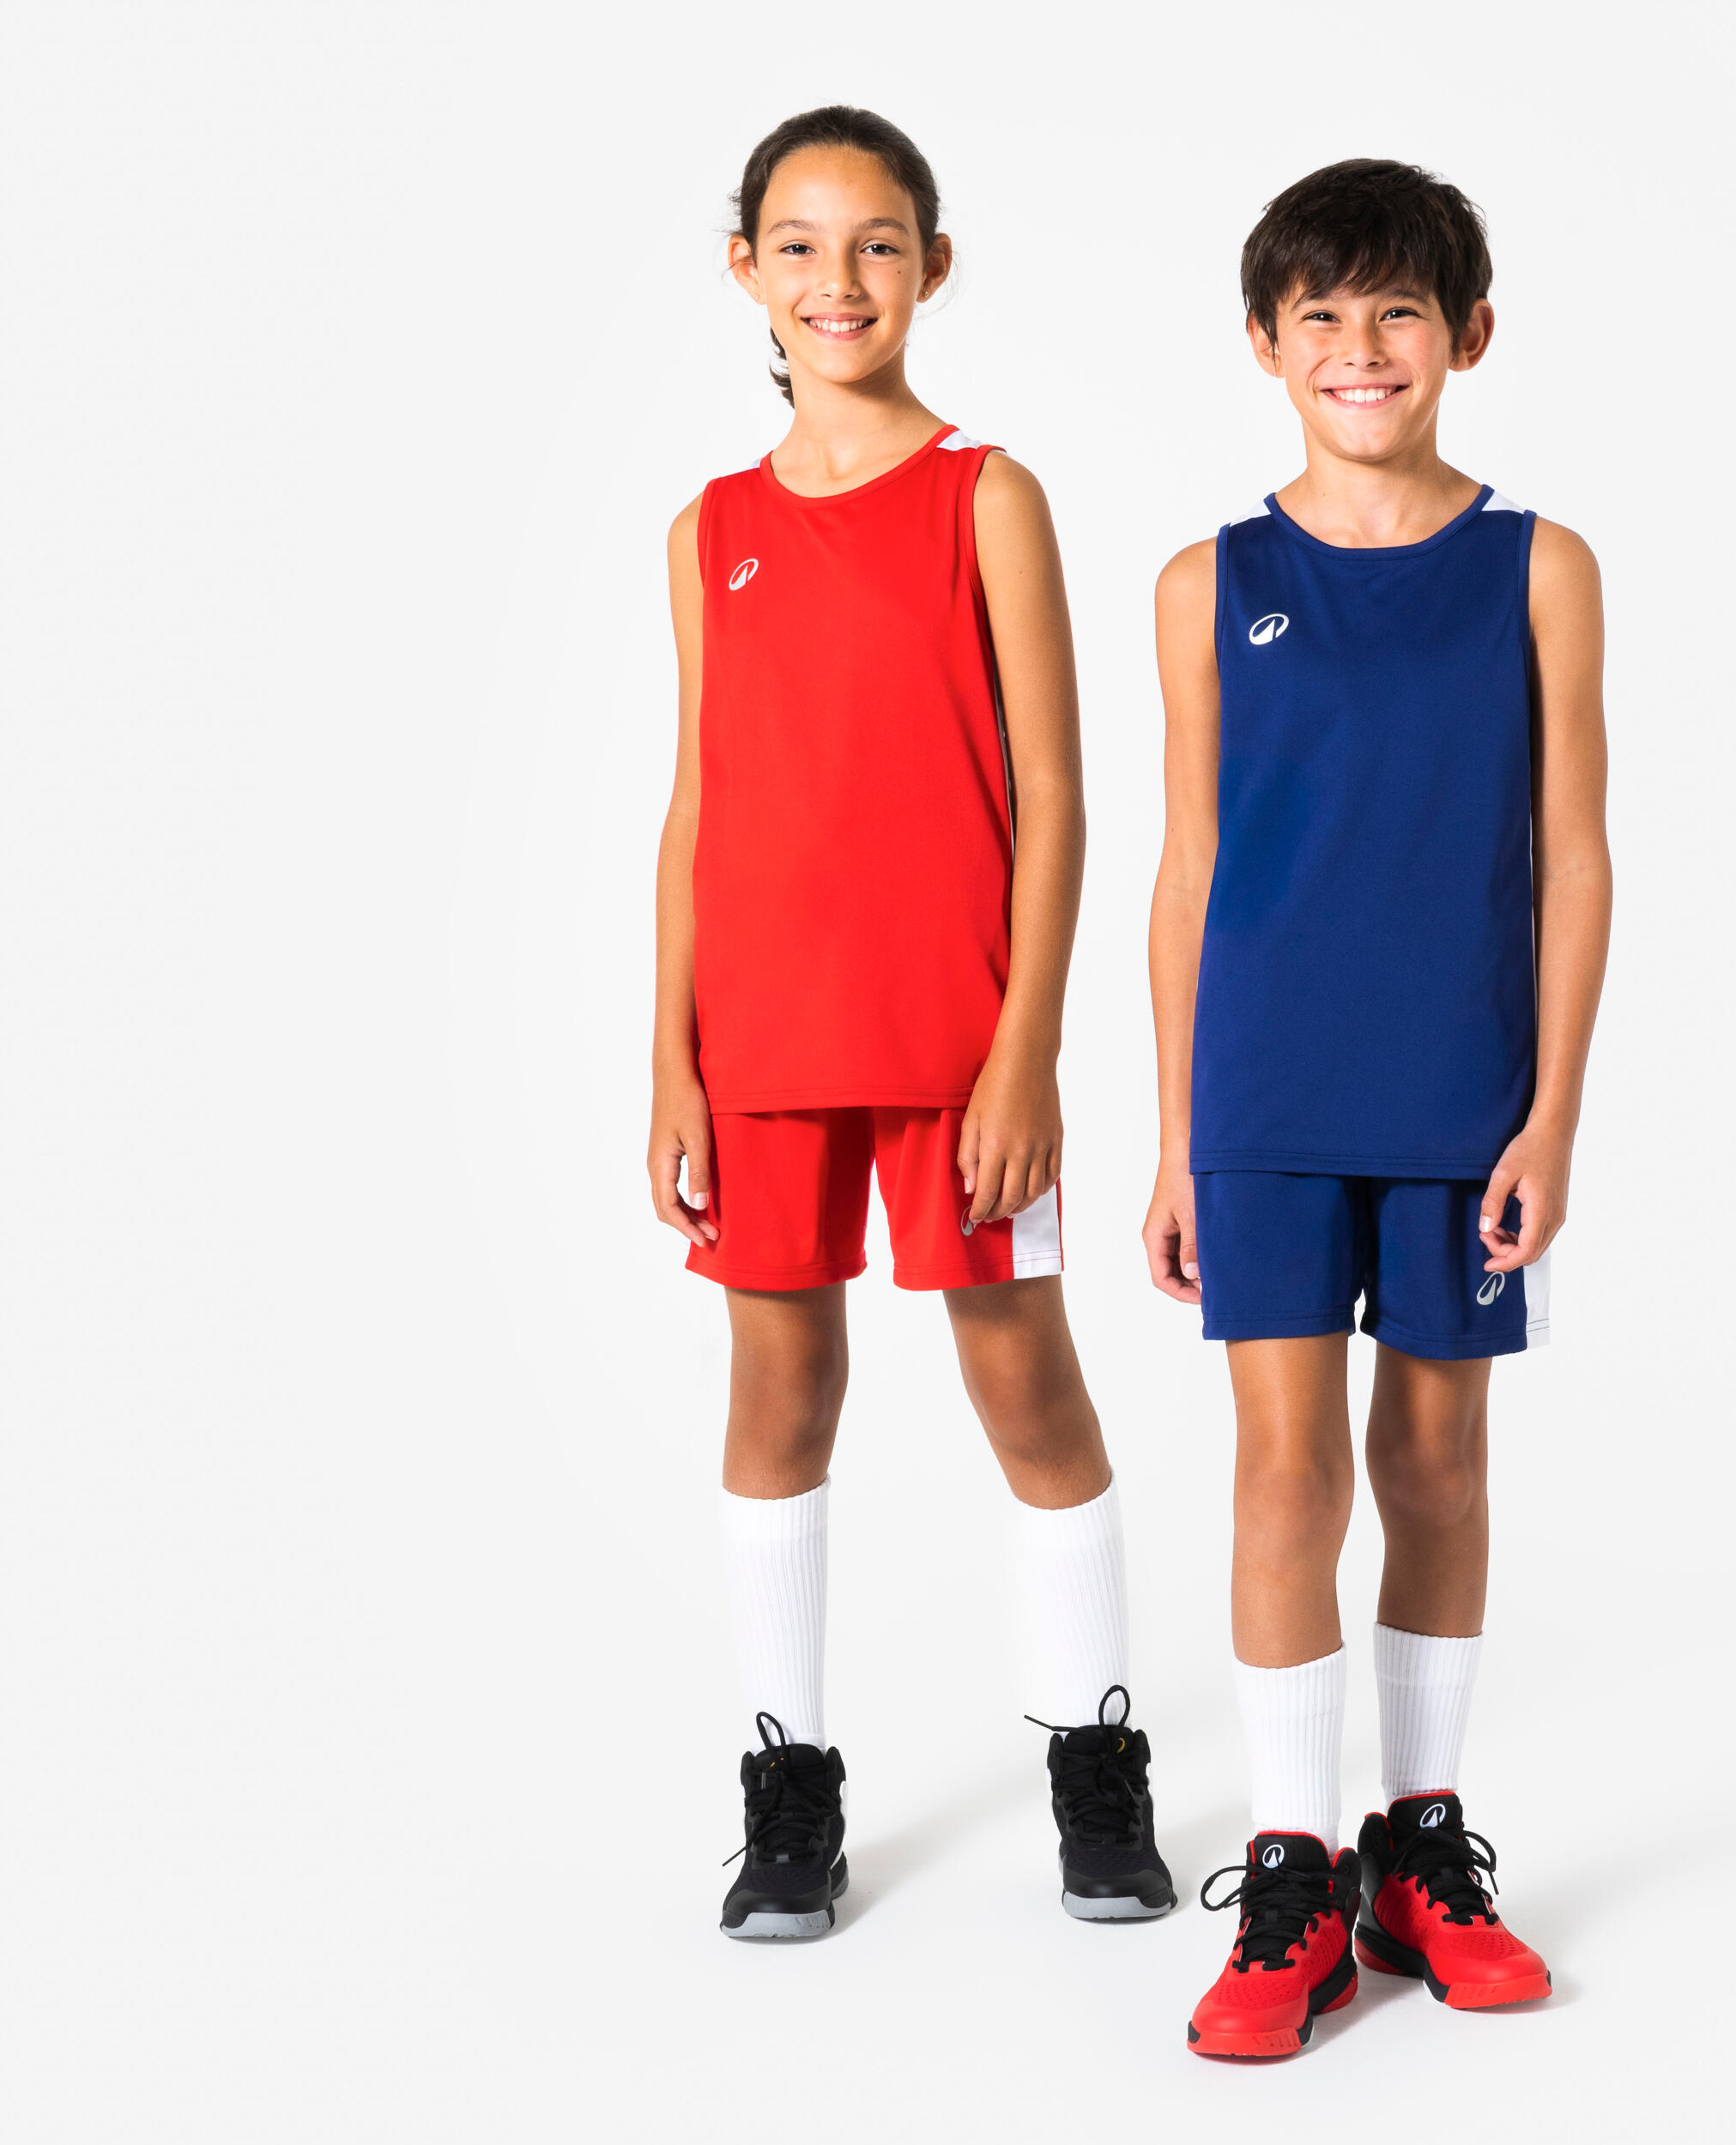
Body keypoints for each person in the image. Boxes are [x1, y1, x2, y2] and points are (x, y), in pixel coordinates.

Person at [650, 106, 1170, 1941]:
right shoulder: (708, 529)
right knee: (777, 1393)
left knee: (1022, 1379)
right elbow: (696, 806)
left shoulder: (984, 493)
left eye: (876, 242)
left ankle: (1094, 1763)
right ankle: (788, 1784)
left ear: (931, 267)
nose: (838, 279)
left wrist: (1026, 1047)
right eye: (798, 244)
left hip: (956, 1045)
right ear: (745, 269)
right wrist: (670, 1062)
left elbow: (1056, 789)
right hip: (762, 1042)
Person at [1145, 158, 1611, 2057]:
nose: (1360, 347)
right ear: (1265, 344)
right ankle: (1291, 1868)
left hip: (1457, 1096)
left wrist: (1550, 1115)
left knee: (1433, 1464)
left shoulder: (1538, 568)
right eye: (1320, 315)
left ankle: (1419, 1846)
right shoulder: (1207, 583)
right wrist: (1174, 1137)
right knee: (1282, 1471)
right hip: (1263, 1094)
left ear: (1467, 334)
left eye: (1397, 311)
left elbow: (1572, 854)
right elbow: (1189, 869)